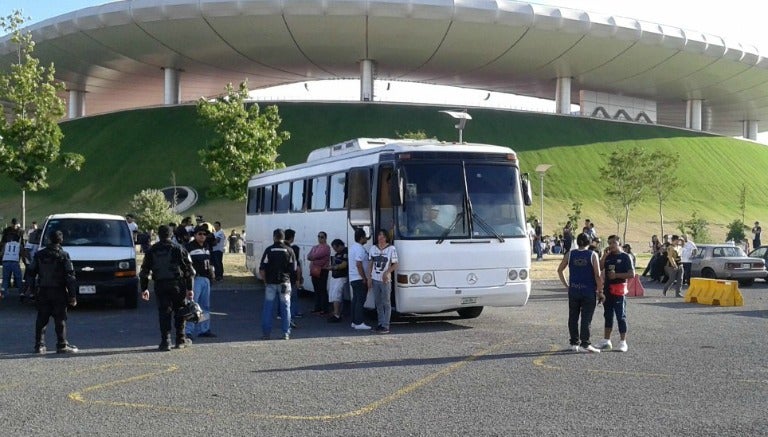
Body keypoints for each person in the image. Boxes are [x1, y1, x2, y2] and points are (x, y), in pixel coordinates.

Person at [139, 225, 195, 351]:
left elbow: (144, 272)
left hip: (160, 284)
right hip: (177, 283)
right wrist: (190, 288)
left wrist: (144, 288)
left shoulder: (152, 250)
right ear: (171, 235)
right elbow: (189, 270)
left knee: (164, 312)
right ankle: (180, 339)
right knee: (180, 311)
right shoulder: (179, 248)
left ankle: (165, 341)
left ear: (158, 235)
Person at [27, 231, 79, 354]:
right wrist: (72, 295)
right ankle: (61, 345)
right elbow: (70, 277)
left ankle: (39, 345)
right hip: (58, 291)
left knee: (41, 318)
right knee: (60, 319)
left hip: (43, 290)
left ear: (49, 240)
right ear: (61, 240)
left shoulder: (39, 255)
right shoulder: (63, 255)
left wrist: (31, 289)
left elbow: (31, 272)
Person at [557, 233, 604, 353]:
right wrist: (600, 291)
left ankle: (574, 343)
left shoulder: (570, 254)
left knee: (573, 316)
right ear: (589, 243)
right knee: (586, 317)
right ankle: (585, 343)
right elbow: (597, 275)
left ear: (577, 242)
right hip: (588, 290)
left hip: (574, 289)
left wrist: (567, 285)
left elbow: (560, 270)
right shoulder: (593, 255)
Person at [595, 235, 633, 352]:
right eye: (609, 243)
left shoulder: (626, 257)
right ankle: (607, 340)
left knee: (620, 315)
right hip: (607, 289)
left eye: (613, 243)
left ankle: (623, 342)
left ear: (619, 243)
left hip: (619, 289)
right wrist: (604, 256)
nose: (611, 245)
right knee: (607, 314)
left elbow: (631, 274)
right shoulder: (608, 256)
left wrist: (616, 275)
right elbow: (599, 268)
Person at [259, 228, 296, 340]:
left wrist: (265, 281)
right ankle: (286, 333)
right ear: (283, 237)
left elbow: (262, 268)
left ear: (274, 237)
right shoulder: (290, 250)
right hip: (285, 282)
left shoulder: (269, 250)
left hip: (270, 282)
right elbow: (293, 268)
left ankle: (266, 333)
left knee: (268, 308)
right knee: (285, 308)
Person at [185, 225, 215, 339]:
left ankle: (204, 329)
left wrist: (212, 274)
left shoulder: (207, 247)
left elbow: (210, 262)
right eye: (200, 234)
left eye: (204, 234)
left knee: (205, 307)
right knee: (192, 305)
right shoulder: (189, 248)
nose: (203, 236)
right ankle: (188, 331)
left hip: (206, 278)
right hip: (195, 279)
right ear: (195, 235)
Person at [367, 228, 398, 334]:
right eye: (379, 235)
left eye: (383, 236)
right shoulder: (373, 249)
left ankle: (386, 325)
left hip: (385, 280)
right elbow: (370, 264)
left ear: (386, 238)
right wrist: (369, 277)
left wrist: (387, 272)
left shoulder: (391, 249)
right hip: (375, 279)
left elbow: (395, 264)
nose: (381, 237)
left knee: (386, 302)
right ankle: (380, 323)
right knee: (378, 302)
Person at [349, 228, 372, 331]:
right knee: (360, 301)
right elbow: (359, 264)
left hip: (353, 278)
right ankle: (359, 322)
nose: (366, 239)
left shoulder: (353, 247)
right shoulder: (359, 249)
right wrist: (364, 278)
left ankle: (354, 321)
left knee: (355, 300)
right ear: (361, 238)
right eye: (365, 237)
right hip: (359, 278)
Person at [307, 231, 331, 314]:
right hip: (315, 270)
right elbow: (308, 256)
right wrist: (313, 257)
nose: (320, 238)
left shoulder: (326, 247)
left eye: (322, 237)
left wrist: (313, 258)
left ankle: (325, 309)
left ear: (325, 238)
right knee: (316, 289)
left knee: (322, 289)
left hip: (323, 270)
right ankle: (317, 307)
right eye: (319, 236)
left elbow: (315, 256)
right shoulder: (315, 247)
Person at [327, 239, 348, 323]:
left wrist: (334, 267)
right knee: (332, 295)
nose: (334, 250)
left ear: (340, 245)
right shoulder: (337, 254)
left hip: (341, 277)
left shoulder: (345, 252)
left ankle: (337, 315)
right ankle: (335, 312)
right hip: (334, 276)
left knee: (336, 295)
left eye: (335, 248)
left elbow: (344, 264)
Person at [1, 232, 24, 299]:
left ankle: (3, 291)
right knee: (18, 278)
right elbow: (22, 253)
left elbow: (2, 253)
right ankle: (21, 293)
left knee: (5, 278)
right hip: (14, 261)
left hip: (6, 261)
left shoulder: (6, 244)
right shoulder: (19, 245)